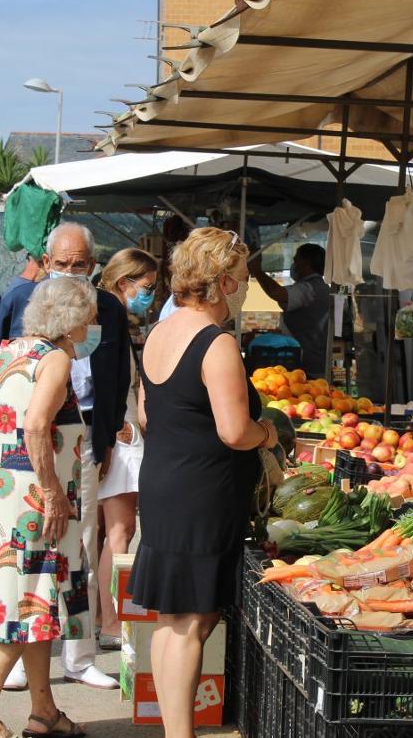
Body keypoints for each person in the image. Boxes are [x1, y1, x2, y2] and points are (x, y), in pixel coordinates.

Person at [133, 227, 280, 738]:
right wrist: (270, 433)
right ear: (220, 282)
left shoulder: (160, 331)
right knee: (194, 620)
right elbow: (234, 431)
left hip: (163, 484)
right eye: (241, 279)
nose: (245, 289)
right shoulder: (214, 343)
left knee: (171, 619)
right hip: (203, 494)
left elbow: (145, 415)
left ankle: (176, 732)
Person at [0, 223, 129, 691]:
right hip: (27, 446)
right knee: (22, 553)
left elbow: (116, 375)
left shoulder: (107, 308)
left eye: (79, 264)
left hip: (81, 432)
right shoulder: (21, 303)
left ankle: (78, 656)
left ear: (93, 264)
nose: (70, 272)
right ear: (46, 263)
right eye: (61, 263)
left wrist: (105, 438)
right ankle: (19, 662)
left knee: (79, 547)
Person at [0, 277, 97, 738]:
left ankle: (44, 711)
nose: (92, 328)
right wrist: (54, 492)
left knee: (35, 597)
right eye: (89, 319)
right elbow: (36, 426)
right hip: (31, 493)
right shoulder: (53, 359)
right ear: (72, 322)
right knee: (21, 600)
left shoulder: (10, 350)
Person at [95, 247, 158, 648]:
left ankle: (105, 619)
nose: (150, 295)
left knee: (112, 531)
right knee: (120, 531)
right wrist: (115, 425)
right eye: (147, 287)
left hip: (120, 430)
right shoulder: (110, 312)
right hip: (121, 435)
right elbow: (105, 377)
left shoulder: (110, 312)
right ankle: (111, 623)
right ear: (124, 282)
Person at [251, 243, 332, 378]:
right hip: (315, 361)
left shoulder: (309, 289)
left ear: (306, 264)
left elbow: (277, 293)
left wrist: (257, 271)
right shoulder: (322, 288)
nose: (294, 265)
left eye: (296, 261)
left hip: (305, 366)